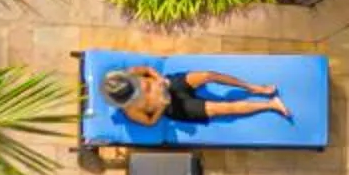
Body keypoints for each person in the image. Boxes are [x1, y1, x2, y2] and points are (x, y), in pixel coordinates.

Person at [99, 63, 292, 128]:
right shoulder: (130, 110)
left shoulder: (132, 72)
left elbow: (148, 70)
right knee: (223, 109)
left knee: (208, 75)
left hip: (171, 84)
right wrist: (162, 106)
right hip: (173, 107)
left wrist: (159, 80)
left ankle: (255, 88)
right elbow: (150, 122)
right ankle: (272, 105)